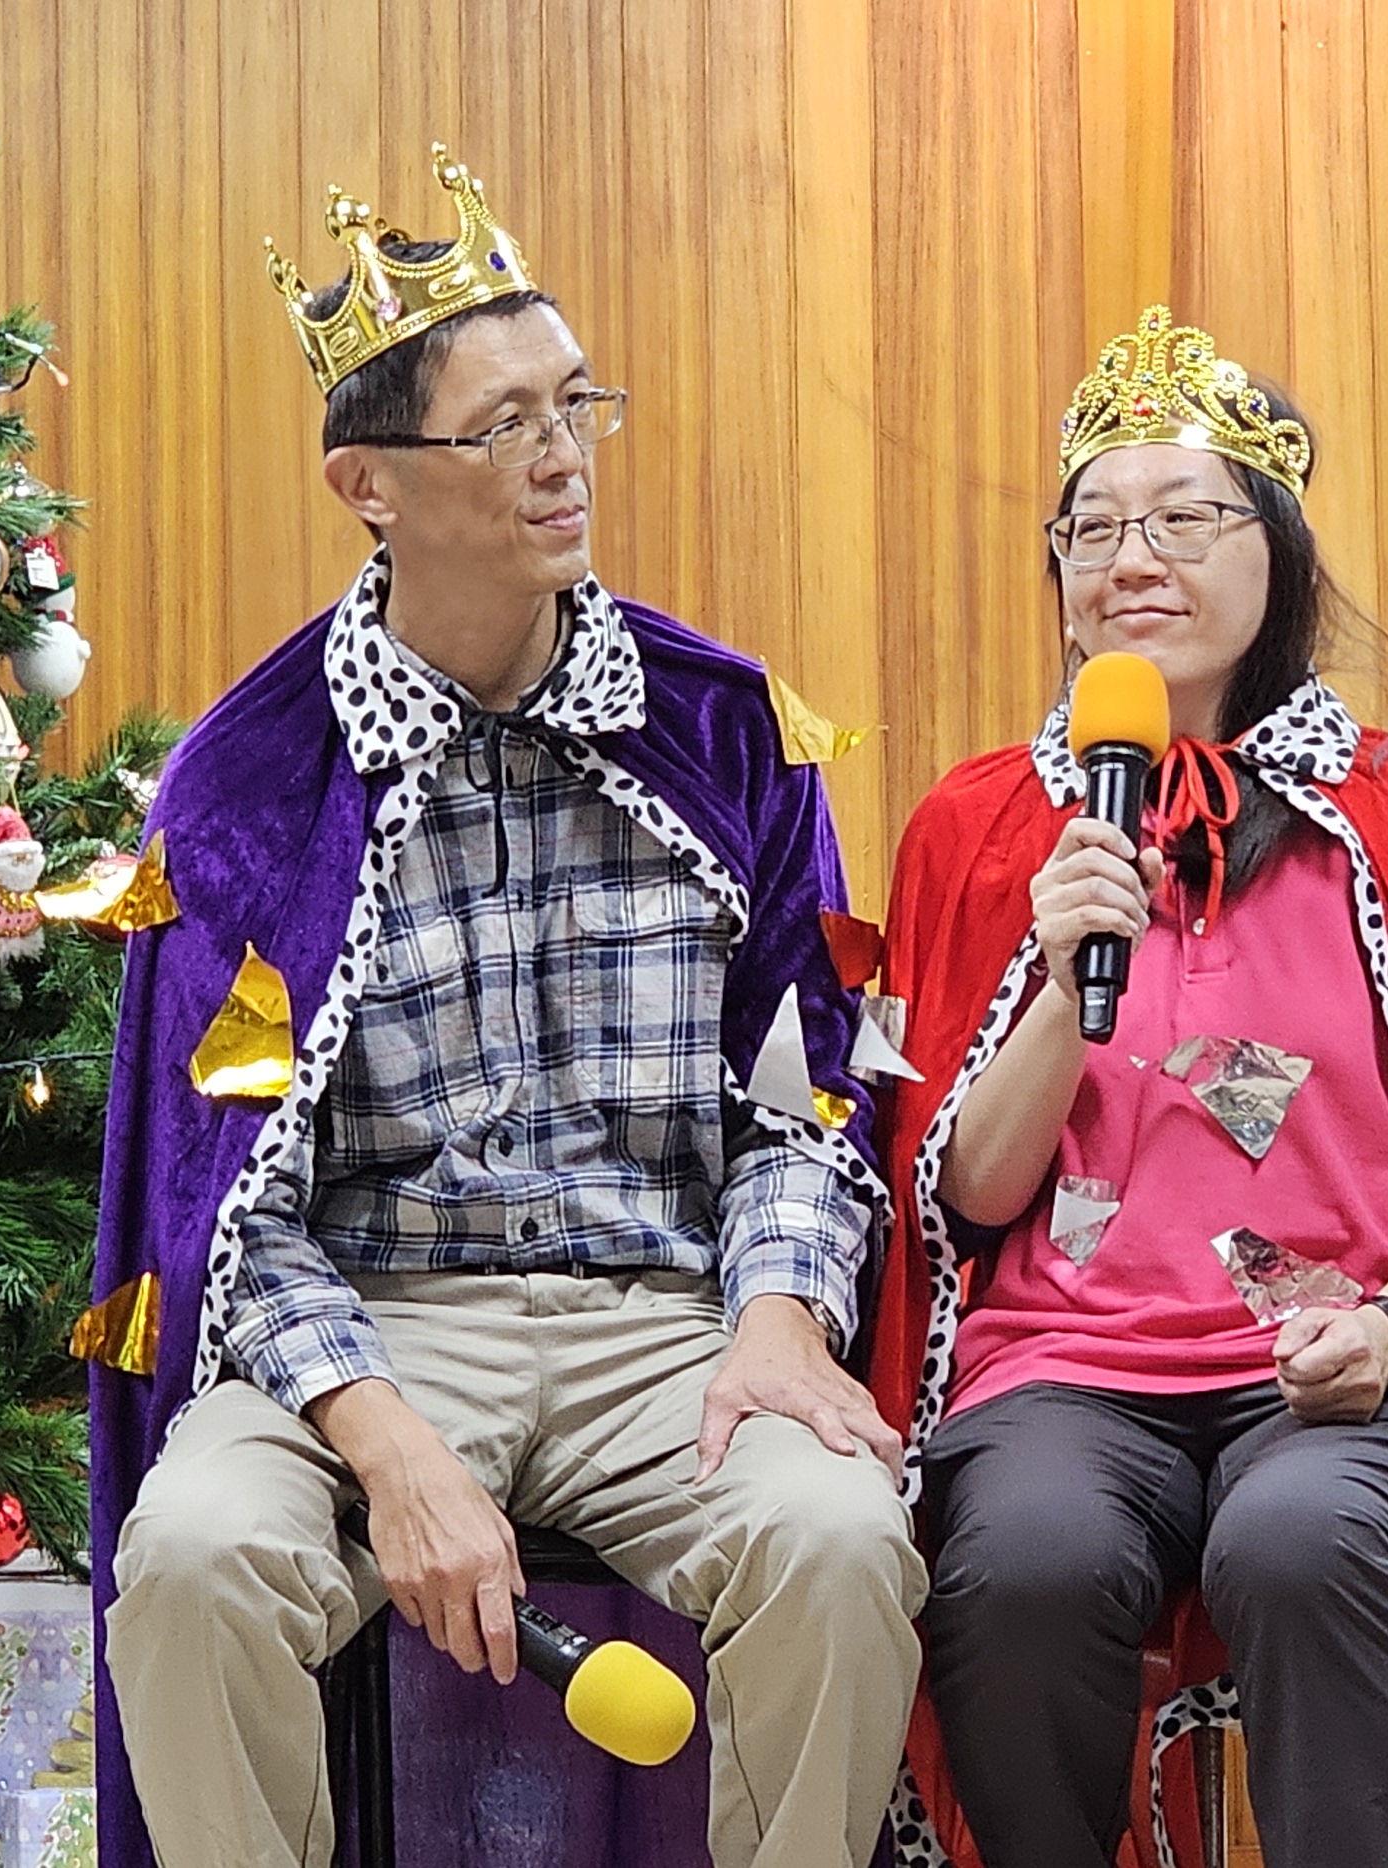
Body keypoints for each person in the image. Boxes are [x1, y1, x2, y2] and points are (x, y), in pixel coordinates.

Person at [84, 146, 922, 1868]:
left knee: (841, 1541)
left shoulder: (721, 730)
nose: (563, 456)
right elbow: (221, 1205)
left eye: (575, 405)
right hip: (366, 1321)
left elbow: (810, 1096)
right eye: (506, 424)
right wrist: (384, 1442)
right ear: (368, 484)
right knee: (194, 1560)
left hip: (669, 1320)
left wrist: (781, 1316)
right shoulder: (253, 780)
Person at [862, 307, 1388, 1868]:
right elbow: (967, 1194)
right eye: (1095, 528)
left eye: (1186, 519)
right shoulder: (983, 827)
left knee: (1301, 1537)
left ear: (1280, 553)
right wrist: (1064, 980)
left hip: (1353, 1367)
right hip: (1063, 1370)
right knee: (1027, 1561)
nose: (1134, 559)